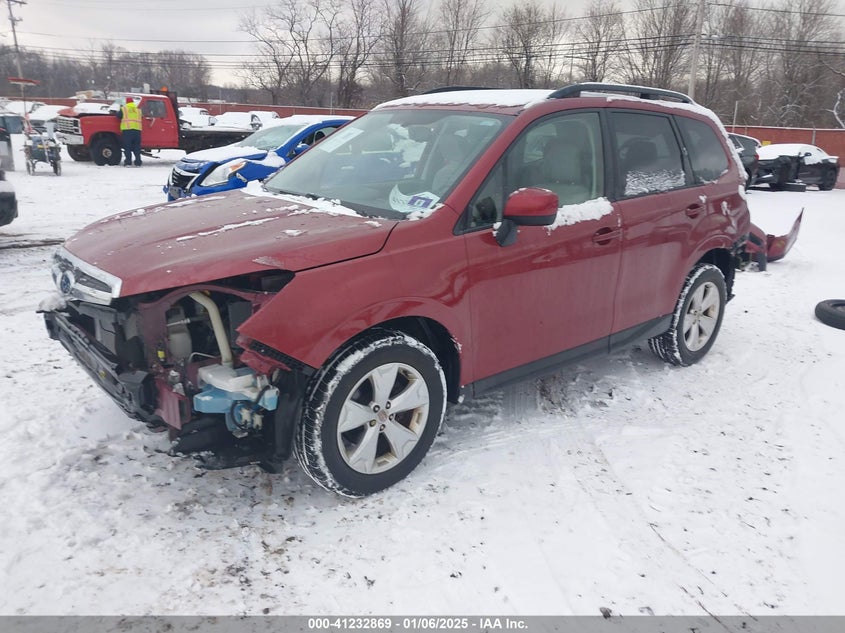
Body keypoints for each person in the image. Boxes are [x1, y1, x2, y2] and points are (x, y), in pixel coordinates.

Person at [116, 97, 142, 166]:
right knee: (137, 147)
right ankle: (138, 162)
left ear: (126, 102)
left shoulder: (124, 109)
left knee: (127, 147)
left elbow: (118, 116)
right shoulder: (138, 110)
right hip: (137, 131)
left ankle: (128, 162)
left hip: (127, 130)